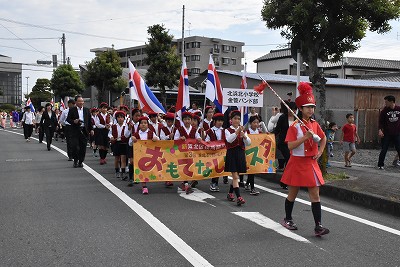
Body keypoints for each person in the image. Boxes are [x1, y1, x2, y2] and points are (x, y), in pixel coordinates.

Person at [280, 82, 329, 237]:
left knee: (315, 195)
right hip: (297, 163)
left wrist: (320, 151)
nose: (311, 109)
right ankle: (287, 218)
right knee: (292, 193)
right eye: (308, 107)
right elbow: (290, 146)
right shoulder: (294, 126)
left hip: (311, 163)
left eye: (312, 107)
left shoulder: (314, 124)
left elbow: (323, 138)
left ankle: (318, 226)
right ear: (300, 109)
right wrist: (304, 138)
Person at [224, 110, 251, 206]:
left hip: (240, 153)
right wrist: (237, 132)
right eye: (235, 118)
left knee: (236, 176)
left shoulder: (243, 130)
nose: (237, 120)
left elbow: (248, 143)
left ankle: (230, 193)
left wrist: (244, 137)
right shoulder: (227, 130)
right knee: (235, 176)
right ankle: (239, 197)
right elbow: (229, 140)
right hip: (232, 153)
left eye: (239, 119)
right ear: (231, 120)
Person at [174, 111, 202, 194]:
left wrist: (199, 139)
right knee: (184, 166)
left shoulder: (194, 130)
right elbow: (175, 140)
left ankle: (187, 182)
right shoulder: (179, 130)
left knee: (191, 166)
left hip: (192, 152)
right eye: (185, 119)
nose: (187, 121)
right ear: (182, 120)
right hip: (182, 152)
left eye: (189, 119)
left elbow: (198, 137)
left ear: (191, 120)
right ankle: (186, 184)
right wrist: (180, 139)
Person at [130, 116, 159, 194]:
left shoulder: (151, 133)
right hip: (140, 155)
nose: (143, 125)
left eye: (145, 123)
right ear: (139, 125)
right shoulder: (136, 134)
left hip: (149, 155)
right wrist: (132, 139)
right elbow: (130, 143)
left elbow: (158, 140)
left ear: (148, 125)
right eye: (142, 123)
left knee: (149, 169)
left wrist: (155, 139)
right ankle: (144, 185)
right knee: (141, 169)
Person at [66, 95, 93, 168]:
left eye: (82, 101)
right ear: (76, 102)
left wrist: (91, 129)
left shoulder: (87, 110)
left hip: (84, 130)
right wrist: (74, 121)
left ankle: (81, 161)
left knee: (83, 147)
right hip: (75, 130)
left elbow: (89, 121)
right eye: (79, 101)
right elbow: (68, 119)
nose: (81, 103)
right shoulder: (72, 110)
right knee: (75, 146)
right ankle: (75, 160)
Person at [244, 115, 265, 196]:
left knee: (253, 170)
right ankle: (252, 188)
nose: (256, 124)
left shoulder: (259, 132)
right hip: (249, 153)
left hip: (256, 153)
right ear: (250, 123)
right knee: (251, 170)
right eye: (254, 122)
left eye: (257, 122)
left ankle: (247, 184)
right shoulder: (247, 132)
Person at [378, 95, 400, 169]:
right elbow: (380, 122)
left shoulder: (399, 109)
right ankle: (380, 165)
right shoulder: (384, 111)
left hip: (397, 133)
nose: (385, 103)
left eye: (386, 102)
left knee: (399, 148)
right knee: (384, 149)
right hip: (387, 133)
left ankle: (397, 162)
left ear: (391, 102)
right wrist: (380, 130)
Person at [204, 112, 225, 192]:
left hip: (222, 152)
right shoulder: (210, 131)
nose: (220, 123)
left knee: (221, 167)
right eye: (218, 121)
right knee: (215, 167)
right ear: (214, 121)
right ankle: (214, 182)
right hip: (213, 152)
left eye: (221, 121)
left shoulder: (224, 130)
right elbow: (207, 141)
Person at [109, 111, 130, 180]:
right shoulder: (114, 126)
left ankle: (123, 173)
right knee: (117, 158)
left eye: (122, 117)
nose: (120, 119)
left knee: (123, 158)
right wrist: (111, 137)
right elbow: (109, 133)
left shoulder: (126, 125)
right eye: (118, 117)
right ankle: (117, 171)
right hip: (116, 143)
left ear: (124, 118)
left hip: (123, 143)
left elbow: (127, 134)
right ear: (116, 118)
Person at [127, 108, 142, 187]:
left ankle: (137, 177)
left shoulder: (142, 124)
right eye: (136, 116)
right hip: (131, 144)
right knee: (132, 161)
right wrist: (129, 128)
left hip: (139, 145)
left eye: (139, 116)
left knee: (138, 161)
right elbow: (126, 135)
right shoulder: (129, 124)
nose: (138, 117)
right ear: (132, 116)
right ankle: (130, 177)